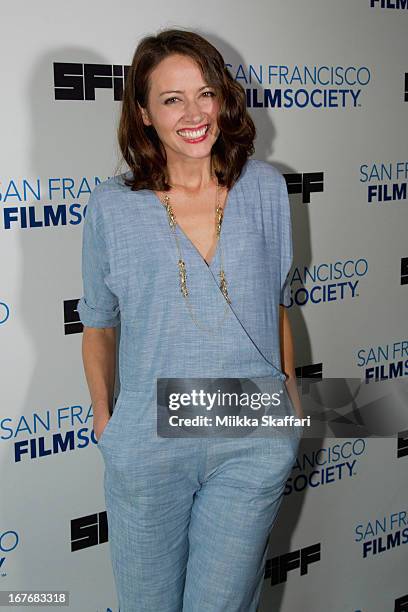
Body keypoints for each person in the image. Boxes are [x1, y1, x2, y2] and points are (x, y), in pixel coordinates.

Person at [77, 28, 302, 612]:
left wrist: (292, 410)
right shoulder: (111, 205)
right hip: (150, 441)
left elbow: (275, 307)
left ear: (224, 98)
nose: (195, 113)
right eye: (172, 99)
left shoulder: (266, 190)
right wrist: (108, 423)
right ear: (144, 114)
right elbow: (99, 324)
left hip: (252, 430)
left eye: (206, 93)